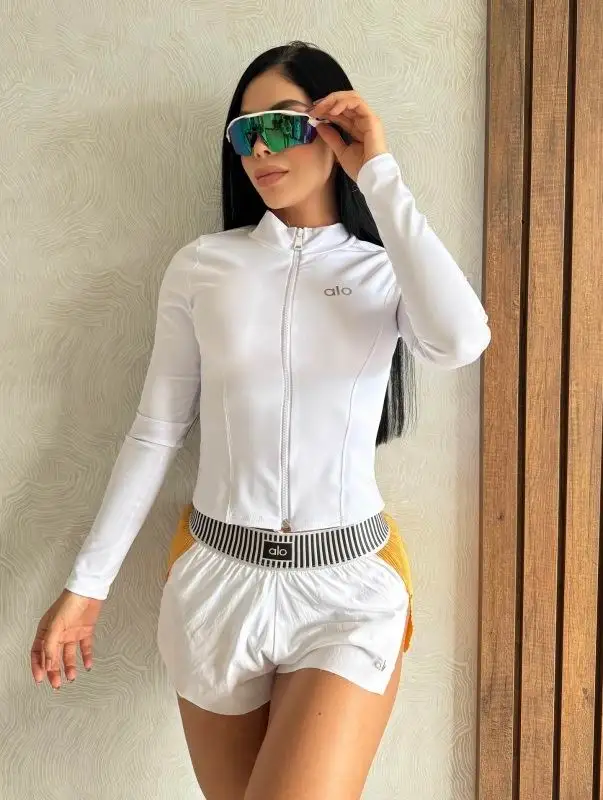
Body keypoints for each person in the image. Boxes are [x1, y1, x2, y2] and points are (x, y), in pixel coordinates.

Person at [30, 41, 491, 799]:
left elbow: (462, 341)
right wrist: (87, 585)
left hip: (345, 587)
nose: (260, 151)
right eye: (244, 133)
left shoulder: (384, 270)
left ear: (335, 125)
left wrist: (377, 172)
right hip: (216, 580)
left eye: (281, 124)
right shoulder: (202, 266)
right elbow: (155, 430)